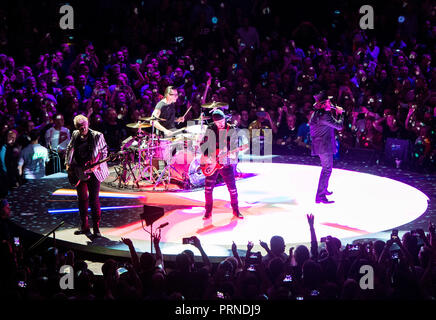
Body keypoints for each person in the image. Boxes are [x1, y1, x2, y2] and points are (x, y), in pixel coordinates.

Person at [65, 115, 109, 238]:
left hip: (94, 172)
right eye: (80, 126)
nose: (83, 127)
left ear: (88, 123)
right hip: (79, 171)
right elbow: (69, 148)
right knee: (82, 199)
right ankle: (84, 226)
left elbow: (104, 152)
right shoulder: (75, 134)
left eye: (84, 124)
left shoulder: (97, 135)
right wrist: (67, 164)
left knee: (93, 200)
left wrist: (97, 165)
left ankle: (96, 228)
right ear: (76, 127)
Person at [200, 109, 243, 219]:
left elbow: (234, 149)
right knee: (208, 189)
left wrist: (232, 155)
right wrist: (210, 158)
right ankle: (208, 211)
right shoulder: (210, 128)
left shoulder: (231, 129)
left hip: (225, 163)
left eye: (222, 121)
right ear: (214, 122)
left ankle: (236, 210)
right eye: (218, 122)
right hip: (211, 162)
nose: (221, 124)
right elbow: (203, 145)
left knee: (232, 188)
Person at [309, 91, 344, 204]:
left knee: (326, 169)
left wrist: (331, 110)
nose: (330, 102)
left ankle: (323, 190)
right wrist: (340, 114)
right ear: (323, 104)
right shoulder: (324, 115)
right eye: (328, 101)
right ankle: (320, 196)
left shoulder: (317, 113)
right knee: (327, 170)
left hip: (320, 145)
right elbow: (339, 126)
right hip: (324, 146)